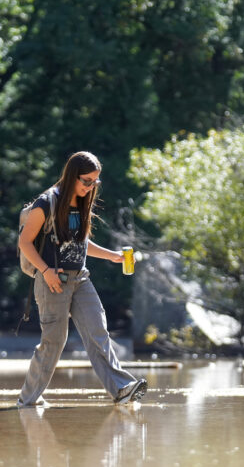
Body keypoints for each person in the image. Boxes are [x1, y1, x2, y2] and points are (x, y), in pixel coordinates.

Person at [16, 151, 147, 407]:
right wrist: (45, 271)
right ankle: (27, 401)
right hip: (52, 281)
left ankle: (122, 389)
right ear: (71, 176)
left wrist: (113, 257)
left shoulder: (81, 202)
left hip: (81, 279)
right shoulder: (45, 203)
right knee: (53, 342)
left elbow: (80, 242)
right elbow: (25, 242)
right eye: (86, 181)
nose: (90, 187)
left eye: (94, 182)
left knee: (98, 331)